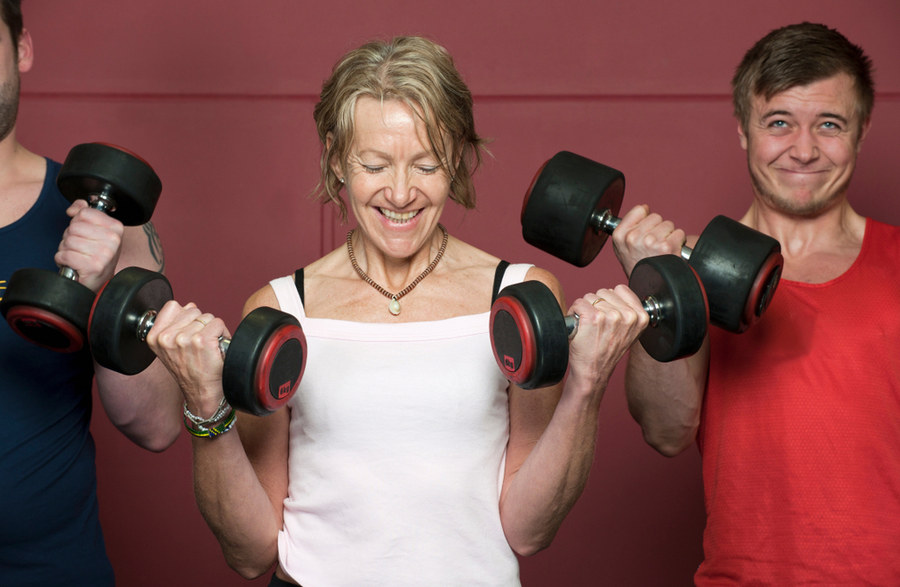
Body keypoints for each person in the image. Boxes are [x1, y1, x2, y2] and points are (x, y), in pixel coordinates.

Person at [146, 36, 652, 586]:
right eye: (375, 164)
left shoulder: (519, 298)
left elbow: (530, 530)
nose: (402, 193)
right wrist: (205, 404)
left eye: (426, 164)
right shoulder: (281, 311)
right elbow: (250, 553)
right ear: (337, 159)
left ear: (456, 159)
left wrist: (587, 384)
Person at [614, 22, 900, 584]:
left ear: (862, 130)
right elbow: (666, 432)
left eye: (829, 124)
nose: (804, 149)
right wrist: (659, 283)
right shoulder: (689, 274)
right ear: (744, 129)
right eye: (779, 122)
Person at [0, 2, 183, 584]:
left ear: (21, 48)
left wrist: (104, 290)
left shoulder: (107, 226)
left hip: (51, 569)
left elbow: (156, 425)